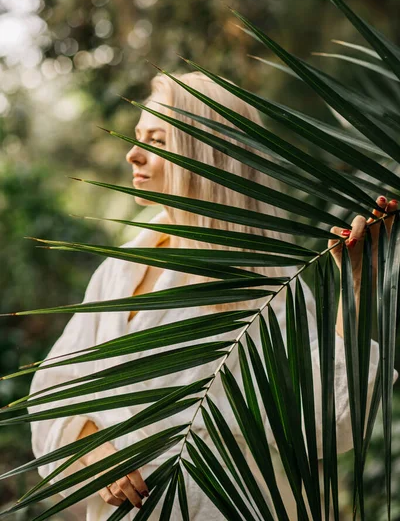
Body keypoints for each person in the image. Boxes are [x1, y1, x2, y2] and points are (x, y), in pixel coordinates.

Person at [28, 71, 398, 520]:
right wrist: (95, 454)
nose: (132, 153)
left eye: (156, 141)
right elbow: (56, 388)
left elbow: (327, 420)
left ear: (201, 154)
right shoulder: (119, 268)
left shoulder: (263, 280)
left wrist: (357, 282)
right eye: (137, 137)